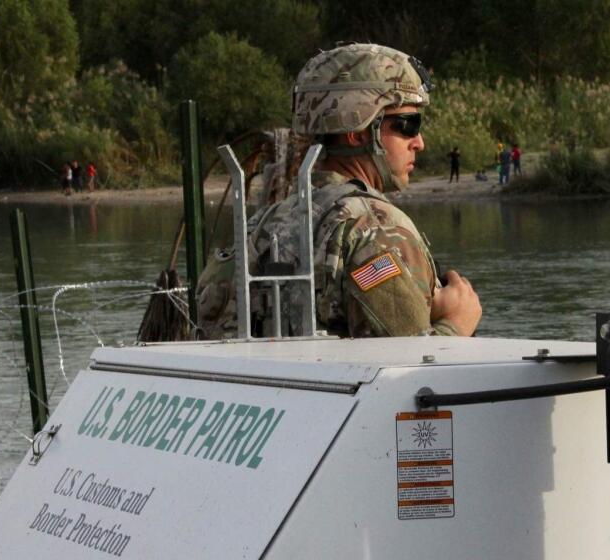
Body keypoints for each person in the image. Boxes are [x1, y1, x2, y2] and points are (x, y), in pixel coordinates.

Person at [196, 43, 481, 340]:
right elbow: (414, 368)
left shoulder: (262, 224)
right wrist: (457, 323)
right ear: (357, 130)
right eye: (407, 125)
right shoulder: (375, 230)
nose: (418, 142)